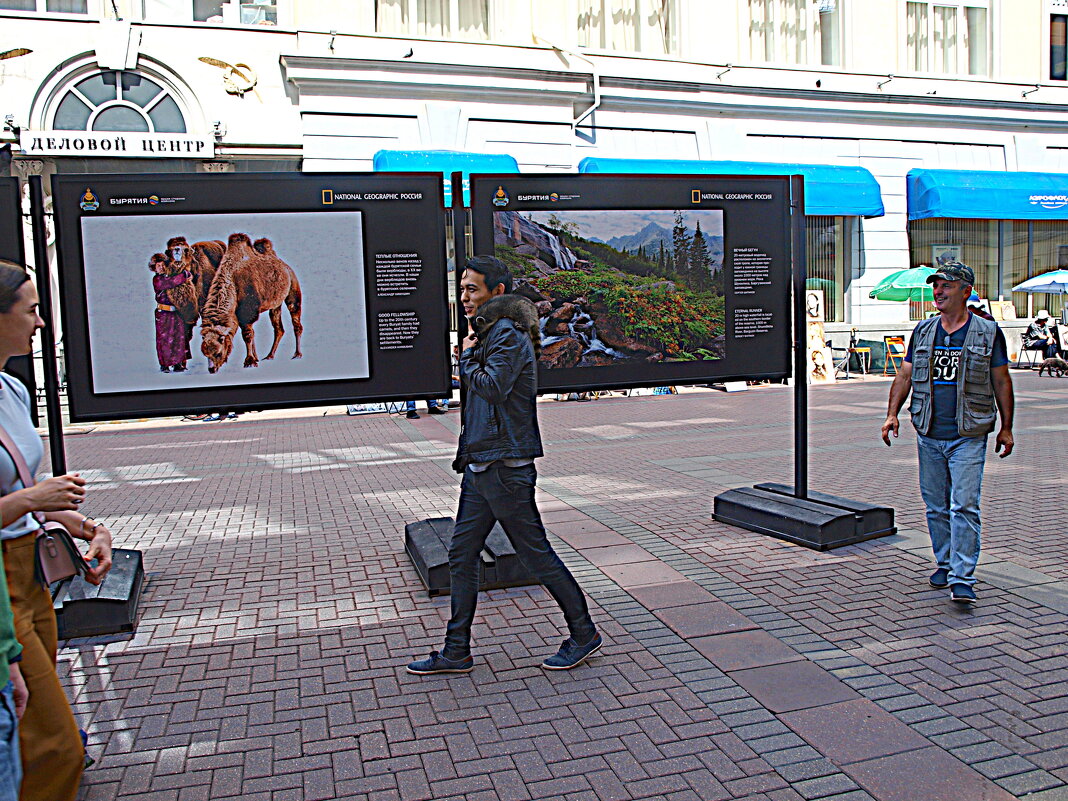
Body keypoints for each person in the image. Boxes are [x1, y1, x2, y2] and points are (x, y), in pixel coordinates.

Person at [407, 256, 600, 675]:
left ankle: (583, 633)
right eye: (461, 289)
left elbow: (493, 388)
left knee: (535, 555)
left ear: (498, 293)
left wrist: (465, 360)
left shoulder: (507, 335)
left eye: (472, 289)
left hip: (504, 467)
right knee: (461, 555)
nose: (464, 297)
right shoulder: (491, 333)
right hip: (483, 463)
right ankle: (456, 650)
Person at [0, 260, 114, 801]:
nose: (41, 323)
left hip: (31, 576)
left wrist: (85, 526)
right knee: (56, 746)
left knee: (28, 733)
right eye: (32, 310)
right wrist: (32, 500)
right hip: (2, 589)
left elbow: (27, 488)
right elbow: (25, 495)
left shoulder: (13, 391)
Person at [881, 261, 1014, 605]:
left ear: (966, 291)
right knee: (936, 506)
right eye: (936, 286)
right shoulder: (924, 331)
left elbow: (1001, 379)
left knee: (964, 505)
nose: (938, 292)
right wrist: (892, 413)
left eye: (947, 285)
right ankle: (944, 561)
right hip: (928, 431)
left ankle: (962, 576)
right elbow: (905, 376)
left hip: (968, 433)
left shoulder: (987, 331)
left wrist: (1007, 428)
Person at [149, 254, 193, 373]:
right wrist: (184, 275)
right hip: (163, 313)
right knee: (164, 339)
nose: (161, 267)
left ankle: (178, 363)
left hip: (176, 312)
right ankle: (165, 364)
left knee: (178, 338)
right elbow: (171, 282)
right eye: (158, 265)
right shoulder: (158, 280)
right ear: (154, 268)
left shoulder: (171, 276)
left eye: (163, 265)